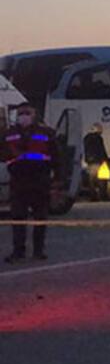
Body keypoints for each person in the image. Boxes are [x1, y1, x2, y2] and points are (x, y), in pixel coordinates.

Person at [2, 103, 58, 262]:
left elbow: (57, 157)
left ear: (35, 114)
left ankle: (38, 251)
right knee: (18, 219)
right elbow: (3, 153)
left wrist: (58, 181)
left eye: (27, 113)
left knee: (40, 218)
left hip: (40, 181)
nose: (23, 116)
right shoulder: (8, 134)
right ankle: (18, 252)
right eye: (20, 113)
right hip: (18, 182)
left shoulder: (46, 133)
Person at [83, 122, 108, 201]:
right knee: (102, 179)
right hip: (98, 161)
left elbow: (85, 150)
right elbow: (101, 149)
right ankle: (103, 195)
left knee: (91, 180)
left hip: (90, 162)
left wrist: (87, 159)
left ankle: (93, 196)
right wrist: (105, 160)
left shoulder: (86, 138)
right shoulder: (98, 138)